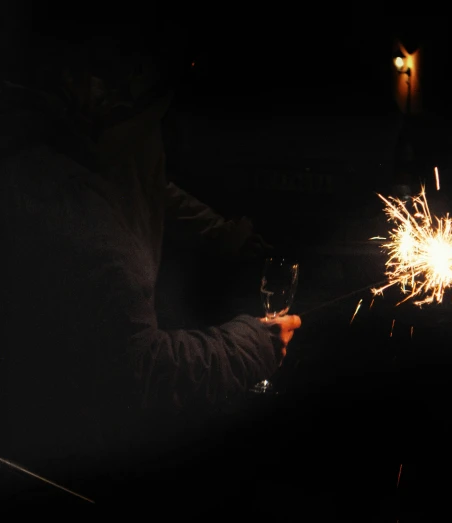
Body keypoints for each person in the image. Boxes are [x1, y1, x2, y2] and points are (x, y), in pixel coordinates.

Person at [0, 14, 301, 503]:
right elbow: (135, 377)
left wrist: (223, 233)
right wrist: (253, 345)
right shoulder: (71, 213)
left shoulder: (56, 149)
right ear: (97, 90)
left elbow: (153, 185)